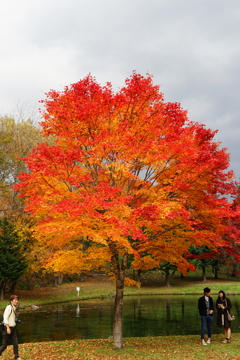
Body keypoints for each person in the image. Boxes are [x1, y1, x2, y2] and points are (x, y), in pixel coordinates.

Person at [0, 294, 21, 359]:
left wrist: (15, 320)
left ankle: (16, 356)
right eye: (15, 300)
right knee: (4, 345)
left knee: (15, 344)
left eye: (17, 300)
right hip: (7, 328)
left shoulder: (14, 308)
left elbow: (11, 318)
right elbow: (5, 318)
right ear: (11, 301)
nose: (16, 301)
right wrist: (8, 328)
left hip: (13, 328)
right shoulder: (9, 307)